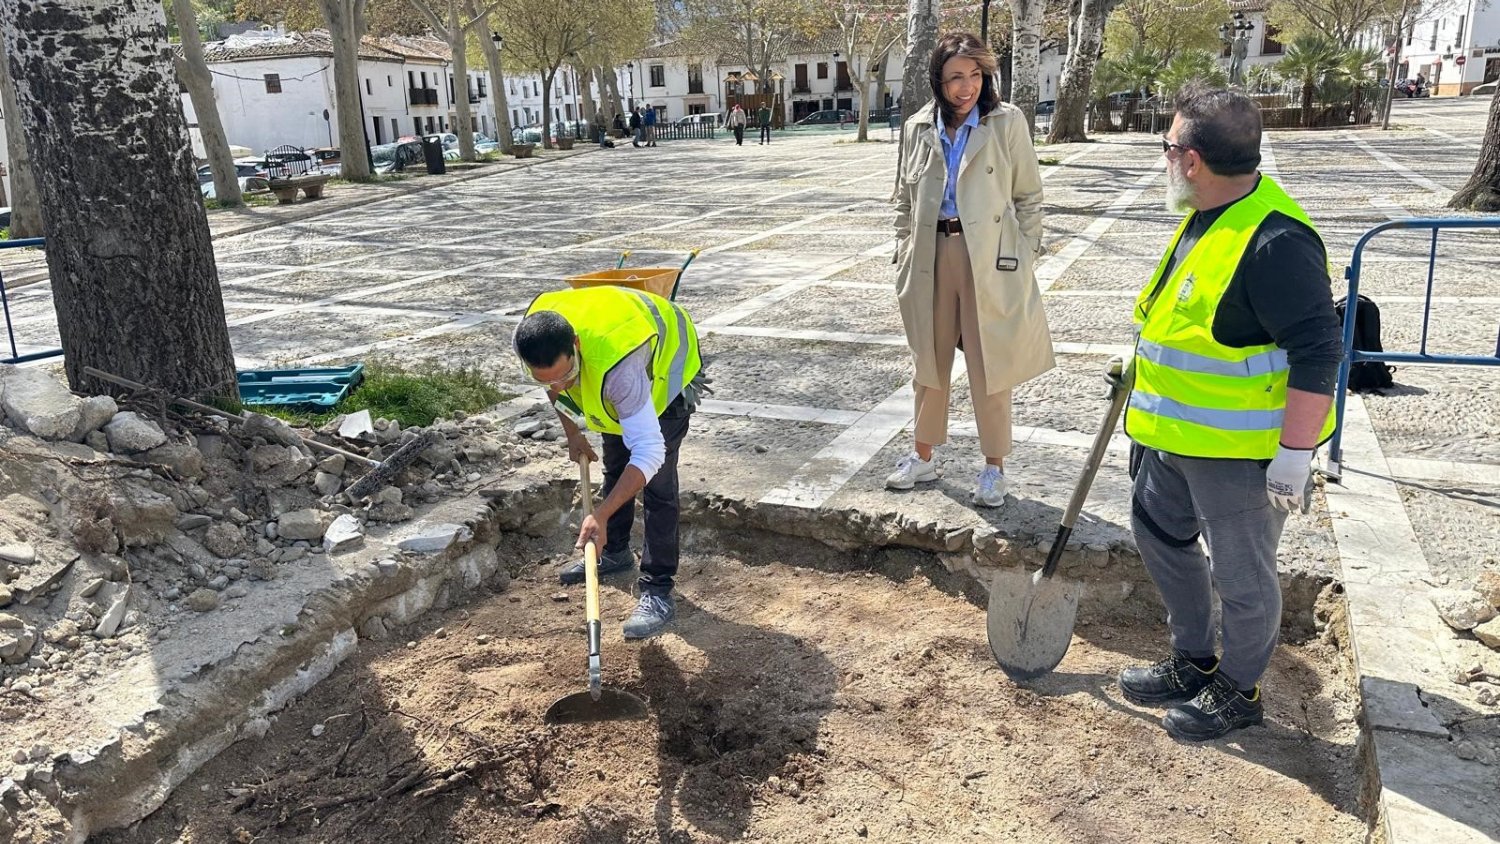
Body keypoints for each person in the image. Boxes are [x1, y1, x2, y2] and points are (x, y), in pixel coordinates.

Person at [1115, 84, 1342, 742]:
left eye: (1167, 146)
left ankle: (1238, 689)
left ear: (1191, 161)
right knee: (1160, 536)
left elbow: (1319, 349)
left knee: (1243, 576)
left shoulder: (1276, 242)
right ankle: (1193, 658)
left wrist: (1295, 458)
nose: (1163, 159)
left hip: (1239, 457)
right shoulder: (1208, 211)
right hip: (1173, 439)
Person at [888, 31, 1053, 507]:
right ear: (938, 80)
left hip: (989, 257)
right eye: (956, 76)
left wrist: (1024, 253)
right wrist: (903, 251)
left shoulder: (1006, 122)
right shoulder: (918, 125)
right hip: (930, 255)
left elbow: (1029, 196)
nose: (967, 86)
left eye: (976, 75)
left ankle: (994, 468)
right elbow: (903, 197)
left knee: (990, 364)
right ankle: (923, 456)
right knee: (929, 361)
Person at [512, 286, 706, 639]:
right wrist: (572, 434)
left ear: (576, 344)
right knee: (616, 464)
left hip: (666, 375)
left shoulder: (619, 368)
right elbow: (555, 388)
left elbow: (649, 452)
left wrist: (599, 515)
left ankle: (657, 589)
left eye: (564, 373)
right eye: (546, 378)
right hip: (616, 372)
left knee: (657, 486)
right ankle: (615, 553)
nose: (559, 383)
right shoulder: (533, 335)